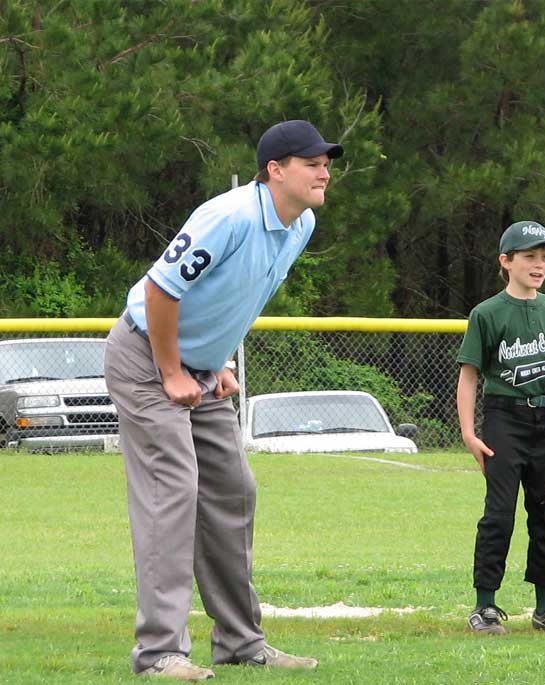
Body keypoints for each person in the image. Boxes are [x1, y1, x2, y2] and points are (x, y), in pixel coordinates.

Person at [104, 120, 343, 680]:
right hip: (146, 358)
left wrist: (222, 361)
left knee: (234, 491)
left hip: (203, 368)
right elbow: (162, 289)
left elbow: (242, 294)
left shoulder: (300, 223)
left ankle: (240, 642)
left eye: (326, 162)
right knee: (174, 492)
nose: (324, 170)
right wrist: (170, 370)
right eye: (311, 162)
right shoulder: (229, 215)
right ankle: (159, 652)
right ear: (275, 171)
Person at [455, 220, 545, 635]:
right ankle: (485, 606)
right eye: (529, 257)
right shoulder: (487, 313)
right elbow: (468, 376)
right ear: (506, 261)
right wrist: (469, 433)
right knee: (499, 515)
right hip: (504, 420)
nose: (539, 265)